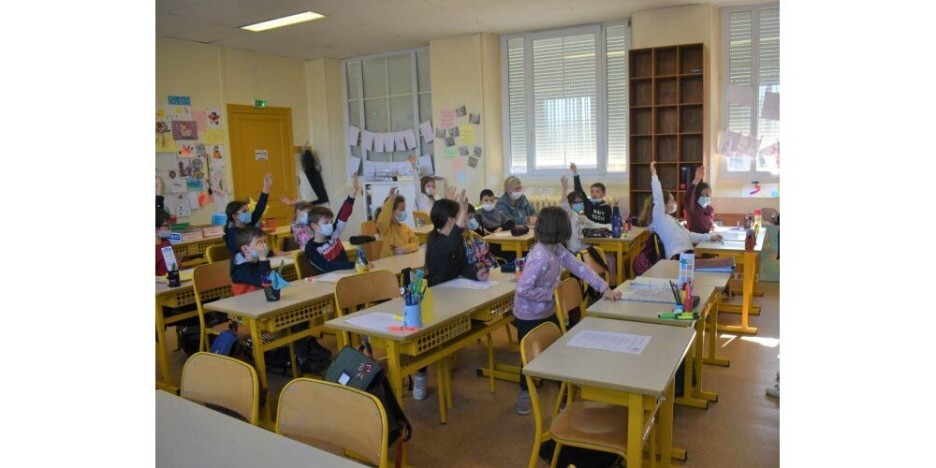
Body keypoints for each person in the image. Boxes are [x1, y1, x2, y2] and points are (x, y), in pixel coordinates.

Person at [512, 206, 621, 415]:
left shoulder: (557, 249)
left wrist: (604, 287)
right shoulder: (540, 256)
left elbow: (580, 268)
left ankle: (563, 391)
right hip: (528, 314)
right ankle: (525, 391)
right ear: (560, 229)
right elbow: (523, 289)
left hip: (546, 311)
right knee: (529, 357)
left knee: (557, 350)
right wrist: (550, 294)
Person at [414, 189, 491, 401]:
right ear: (451, 220)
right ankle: (420, 373)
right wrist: (459, 214)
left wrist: (476, 274)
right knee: (428, 338)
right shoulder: (437, 241)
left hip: (453, 292)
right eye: (461, 216)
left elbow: (462, 265)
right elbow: (449, 247)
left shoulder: (456, 239)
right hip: (435, 296)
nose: (465, 219)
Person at [640, 161, 722, 260]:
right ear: (664, 204)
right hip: (679, 257)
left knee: (718, 263)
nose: (675, 202)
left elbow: (688, 235)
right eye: (672, 200)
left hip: (688, 255)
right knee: (716, 264)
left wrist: (709, 237)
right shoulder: (659, 218)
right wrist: (654, 175)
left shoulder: (671, 219)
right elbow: (658, 197)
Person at [305, 174, 360, 272]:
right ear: (314, 226)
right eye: (326, 222)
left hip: (347, 274)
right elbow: (326, 266)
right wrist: (353, 264)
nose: (330, 225)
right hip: (329, 279)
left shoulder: (334, 233)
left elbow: (344, 214)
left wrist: (353, 193)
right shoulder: (311, 248)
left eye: (331, 222)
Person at [224, 173, 273, 255]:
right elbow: (245, 253)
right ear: (235, 216)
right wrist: (270, 253)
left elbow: (260, 207)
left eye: (248, 210)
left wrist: (266, 186)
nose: (248, 213)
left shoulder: (248, 224)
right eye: (244, 211)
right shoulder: (232, 234)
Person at [376, 187, 420, 258]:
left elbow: (416, 243)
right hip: (388, 262)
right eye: (402, 210)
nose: (404, 212)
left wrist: (405, 249)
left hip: (403, 261)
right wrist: (391, 199)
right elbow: (382, 220)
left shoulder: (405, 227)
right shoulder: (385, 228)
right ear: (391, 211)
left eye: (404, 210)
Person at [229, 226, 272, 296]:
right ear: (245, 249)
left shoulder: (256, 260)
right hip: (244, 301)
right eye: (259, 242)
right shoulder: (240, 270)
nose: (264, 245)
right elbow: (265, 282)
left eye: (264, 242)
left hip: (260, 298)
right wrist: (262, 257)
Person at [684, 165, 715, 234]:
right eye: (702, 195)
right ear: (697, 196)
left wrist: (712, 227)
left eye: (707, 195)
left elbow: (708, 225)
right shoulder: (693, 208)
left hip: (707, 238)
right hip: (696, 239)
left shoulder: (710, 209)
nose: (706, 197)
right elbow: (688, 197)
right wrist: (696, 179)